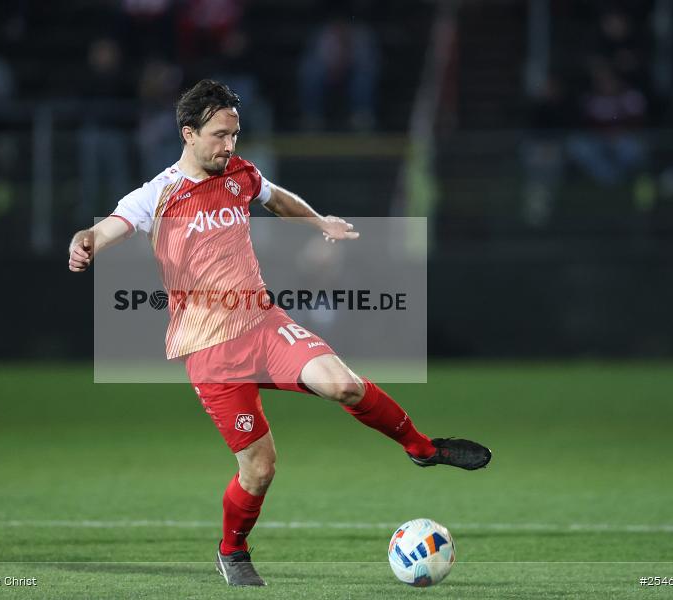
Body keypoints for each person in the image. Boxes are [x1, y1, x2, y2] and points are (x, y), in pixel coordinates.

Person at [67, 80, 491, 587]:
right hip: (209, 351)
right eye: (220, 135)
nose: (229, 145)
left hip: (263, 324)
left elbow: (275, 198)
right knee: (260, 468)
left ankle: (421, 448)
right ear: (188, 133)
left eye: (235, 134)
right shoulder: (156, 194)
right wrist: (86, 242)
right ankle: (232, 551)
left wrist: (318, 222)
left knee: (344, 384)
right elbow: (109, 227)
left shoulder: (240, 173)